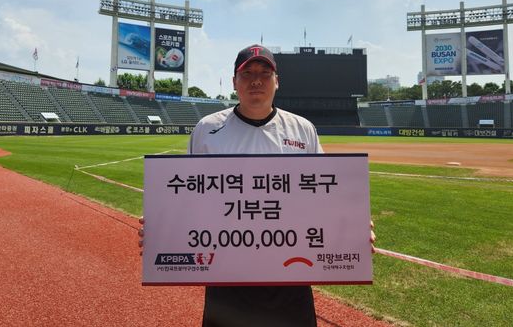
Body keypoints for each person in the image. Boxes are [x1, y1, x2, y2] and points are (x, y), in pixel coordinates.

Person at [139, 44, 375, 327]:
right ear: (234, 82)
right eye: (247, 73)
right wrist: (162, 230)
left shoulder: (302, 129)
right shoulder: (207, 129)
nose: (256, 80)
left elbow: (323, 199)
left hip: (291, 277)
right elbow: (190, 199)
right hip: (225, 278)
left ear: (277, 81)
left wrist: (352, 228)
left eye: (265, 73)